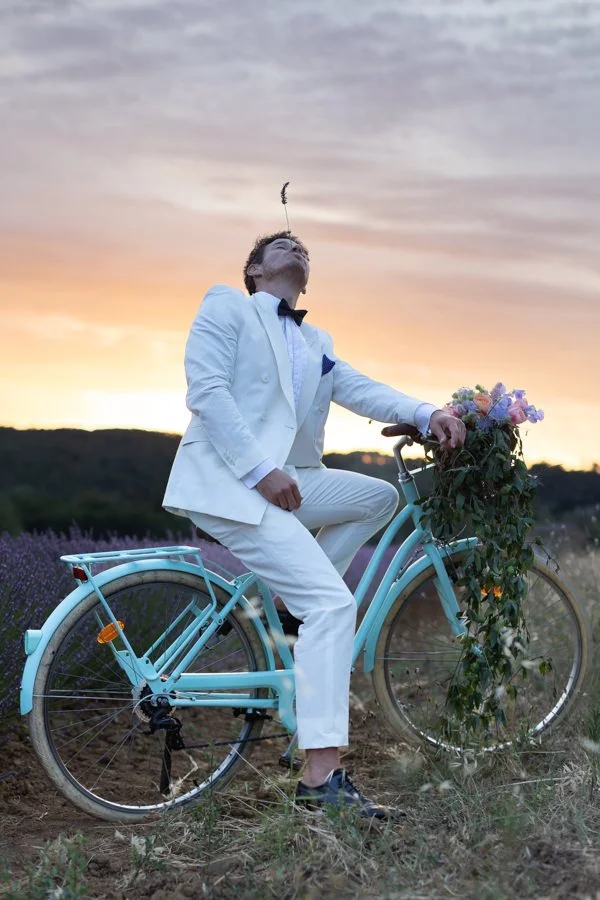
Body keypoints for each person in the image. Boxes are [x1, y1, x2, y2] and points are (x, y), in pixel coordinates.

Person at [163, 231, 466, 818]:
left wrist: (428, 412)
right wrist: (260, 471)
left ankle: (296, 599)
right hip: (234, 482)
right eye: (280, 244)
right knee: (334, 606)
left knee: (377, 498)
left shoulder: (314, 340)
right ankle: (320, 778)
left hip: (291, 479)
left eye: (303, 247)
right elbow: (207, 391)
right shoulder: (226, 305)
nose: (295, 248)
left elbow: (362, 389)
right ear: (253, 267)